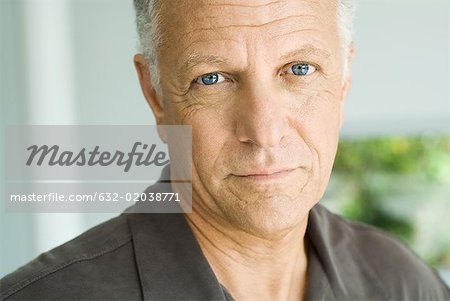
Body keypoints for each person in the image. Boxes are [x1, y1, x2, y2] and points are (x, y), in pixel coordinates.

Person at [1, 0, 449, 300]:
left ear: (344, 84)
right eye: (212, 78)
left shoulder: (401, 282)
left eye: (300, 69)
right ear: (154, 93)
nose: (265, 131)